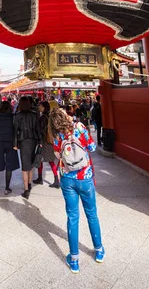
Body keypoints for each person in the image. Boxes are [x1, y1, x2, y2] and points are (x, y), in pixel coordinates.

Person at [49, 108, 105, 274]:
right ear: (65, 116)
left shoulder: (57, 135)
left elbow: (58, 156)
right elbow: (93, 147)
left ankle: (74, 259)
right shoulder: (79, 126)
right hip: (85, 176)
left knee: (72, 217)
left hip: (67, 179)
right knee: (92, 214)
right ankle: (99, 250)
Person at [13, 95, 41, 199]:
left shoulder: (18, 115)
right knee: (31, 163)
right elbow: (38, 129)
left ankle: (26, 190)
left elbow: (15, 131)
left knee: (25, 166)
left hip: (23, 141)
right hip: (33, 140)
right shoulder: (34, 115)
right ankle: (29, 184)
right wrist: (40, 141)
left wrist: (15, 144)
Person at [0, 101, 20, 194]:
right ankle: (7, 187)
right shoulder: (13, 117)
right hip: (9, 142)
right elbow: (15, 129)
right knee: (9, 164)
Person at [33, 101, 60, 189]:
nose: (39, 107)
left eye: (40, 106)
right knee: (51, 161)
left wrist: (39, 141)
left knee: (40, 158)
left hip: (44, 141)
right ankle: (56, 179)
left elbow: (40, 131)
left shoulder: (43, 118)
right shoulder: (50, 117)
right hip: (50, 141)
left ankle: (41, 178)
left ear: (44, 107)